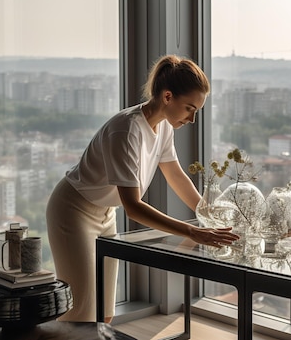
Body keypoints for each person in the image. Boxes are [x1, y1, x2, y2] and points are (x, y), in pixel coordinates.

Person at [46, 54, 239, 323]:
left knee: (105, 312)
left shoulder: (163, 127)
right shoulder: (126, 130)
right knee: (81, 312)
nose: (192, 119)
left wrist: (207, 215)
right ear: (168, 97)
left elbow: (175, 174)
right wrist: (192, 231)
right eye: (189, 108)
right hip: (72, 210)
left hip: (104, 212)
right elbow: (134, 207)